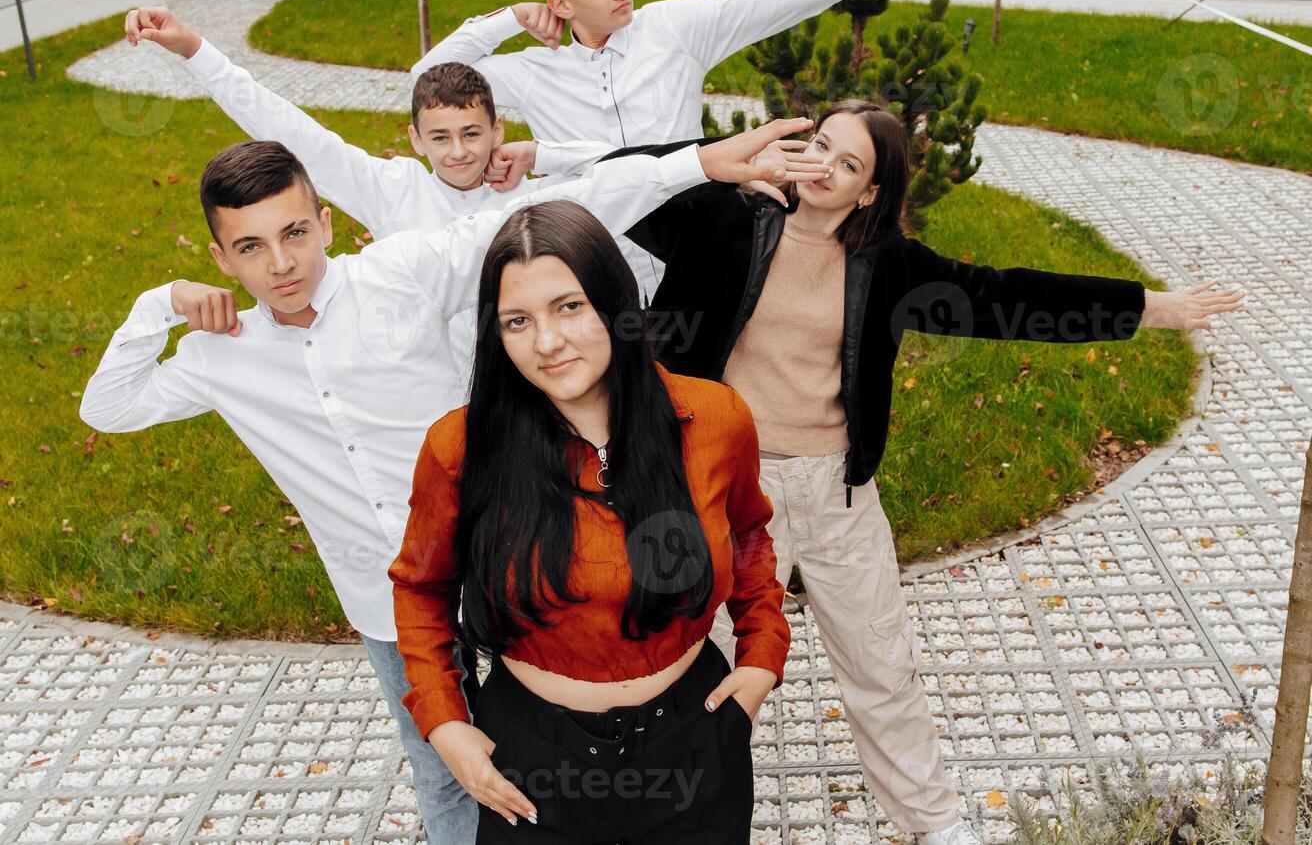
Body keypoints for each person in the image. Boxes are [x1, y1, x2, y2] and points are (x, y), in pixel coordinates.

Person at [79, 120, 814, 843]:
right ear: (220, 257)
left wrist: (697, 162)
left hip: (521, 542)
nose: (280, 263)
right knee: (444, 767)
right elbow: (107, 408)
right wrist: (157, 307)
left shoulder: (399, 275)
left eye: (294, 232)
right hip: (389, 593)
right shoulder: (222, 356)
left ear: (326, 223)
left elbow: (553, 224)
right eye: (250, 247)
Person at [620, 100, 1245, 845]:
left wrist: (1151, 309)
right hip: (721, 490)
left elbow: (1004, 296)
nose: (823, 167)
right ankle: (672, 823)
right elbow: (620, 182)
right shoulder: (722, 219)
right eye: (819, 146)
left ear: (871, 193)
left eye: (848, 164)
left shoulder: (886, 265)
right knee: (698, 666)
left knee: (882, 668)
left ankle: (936, 823)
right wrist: (701, 157)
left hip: (833, 493)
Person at [389, 199, 789, 844]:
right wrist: (445, 723)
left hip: (694, 735)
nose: (547, 343)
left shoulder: (715, 419)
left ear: (615, 303)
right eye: (517, 321)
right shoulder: (461, 448)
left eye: (569, 306)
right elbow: (421, 587)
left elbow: (747, 537)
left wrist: (762, 654)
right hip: (531, 760)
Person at [409, 0, 1001, 295]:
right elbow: (429, 78)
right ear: (560, 5)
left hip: (695, 255)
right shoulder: (535, 72)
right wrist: (507, 18)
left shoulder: (674, 29)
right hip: (589, 264)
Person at [122, 6, 624, 375]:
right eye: (440, 138)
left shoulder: (525, 195)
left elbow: (621, 167)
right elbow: (290, 128)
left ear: (497, 131)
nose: (457, 152)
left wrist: (540, 154)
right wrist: (195, 51)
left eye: (472, 134)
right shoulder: (392, 187)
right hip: (420, 382)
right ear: (414, 139)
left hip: (524, 373)